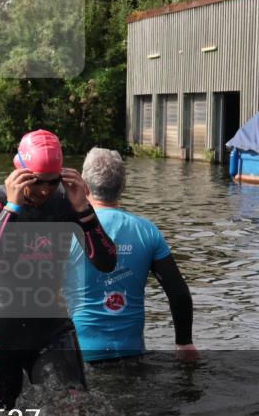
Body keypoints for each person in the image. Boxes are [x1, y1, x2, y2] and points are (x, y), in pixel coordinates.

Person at [0, 129, 118, 409]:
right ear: (18, 171)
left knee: (74, 412)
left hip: (51, 326)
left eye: (52, 182)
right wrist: (12, 208)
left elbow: (106, 263)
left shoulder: (65, 203)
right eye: (35, 182)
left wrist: (83, 209)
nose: (45, 191)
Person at [65, 148, 198, 363]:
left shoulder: (67, 231)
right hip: (132, 354)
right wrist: (184, 342)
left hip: (80, 356)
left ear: (85, 186)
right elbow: (179, 293)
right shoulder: (147, 230)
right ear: (123, 187)